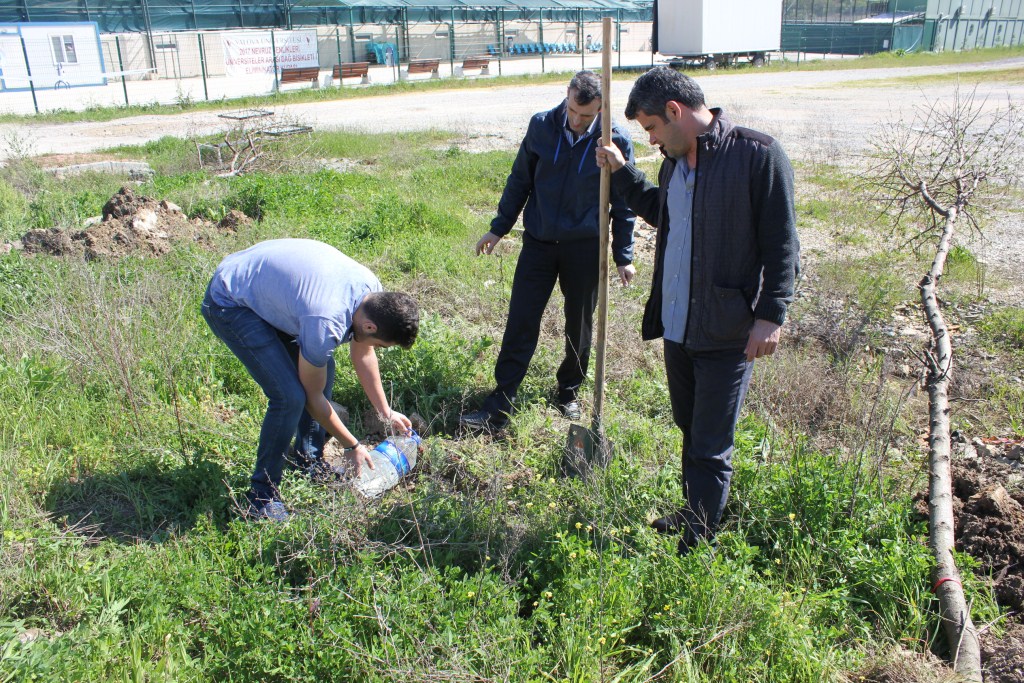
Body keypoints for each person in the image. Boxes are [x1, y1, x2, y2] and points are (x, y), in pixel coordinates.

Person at [596, 67, 799, 554]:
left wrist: (771, 315)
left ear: (675, 111)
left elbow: (783, 243)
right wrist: (622, 172)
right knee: (690, 429)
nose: (650, 139)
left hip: (727, 330)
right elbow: (659, 210)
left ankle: (699, 546)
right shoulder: (673, 163)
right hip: (678, 326)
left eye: (651, 128)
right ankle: (695, 513)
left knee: (710, 442)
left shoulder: (757, 155)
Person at [460, 71, 637, 432]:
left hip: (585, 248)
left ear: (602, 108)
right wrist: (499, 228)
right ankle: (501, 400)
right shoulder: (542, 126)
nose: (576, 120)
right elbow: (520, 179)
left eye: (586, 116)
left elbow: (623, 202)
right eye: (573, 110)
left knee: (580, 324)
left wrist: (624, 255)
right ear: (567, 96)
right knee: (521, 320)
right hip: (539, 243)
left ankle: (568, 391)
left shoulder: (614, 139)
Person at [201, 238, 419, 521]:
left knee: (322, 371)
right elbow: (313, 399)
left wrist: (384, 411)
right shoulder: (325, 322)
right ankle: (261, 496)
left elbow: (363, 353)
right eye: (381, 344)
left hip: (264, 286)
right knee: (289, 397)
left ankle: (308, 460)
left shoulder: (372, 295)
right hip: (231, 301)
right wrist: (352, 445)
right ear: (369, 325)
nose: (377, 348)